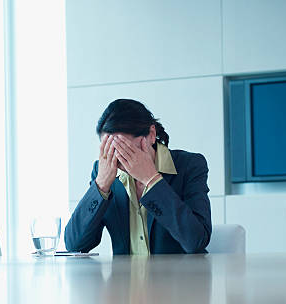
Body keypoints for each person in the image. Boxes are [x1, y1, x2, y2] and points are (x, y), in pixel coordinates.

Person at [64, 99, 212, 255]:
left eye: (128, 151)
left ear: (152, 134)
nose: (121, 161)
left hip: (178, 278)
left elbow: (196, 241)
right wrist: (101, 185)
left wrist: (152, 180)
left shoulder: (190, 165)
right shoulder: (103, 170)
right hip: (124, 279)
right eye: (112, 151)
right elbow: (74, 245)